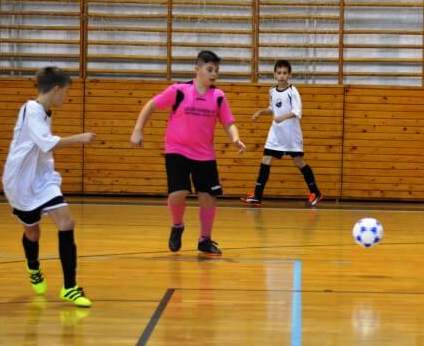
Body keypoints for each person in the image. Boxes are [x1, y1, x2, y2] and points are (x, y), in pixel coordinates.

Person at [130, 50, 246, 258]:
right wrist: (138, 129)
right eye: (209, 69)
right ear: (197, 69)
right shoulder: (179, 90)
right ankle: (177, 226)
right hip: (177, 150)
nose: (214, 74)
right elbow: (151, 105)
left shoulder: (218, 96)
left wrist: (235, 138)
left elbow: (229, 122)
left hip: (205, 155)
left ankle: (205, 240)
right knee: (177, 193)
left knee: (208, 197)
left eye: (216, 71)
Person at [3, 66, 95, 307]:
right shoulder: (31, 109)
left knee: (67, 223)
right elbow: (46, 143)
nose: (66, 96)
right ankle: (33, 266)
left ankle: (69, 287)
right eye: (66, 91)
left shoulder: (44, 112)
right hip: (21, 182)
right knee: (32, 233)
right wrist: (80, 138)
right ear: (56, 89)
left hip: (43, 179)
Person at [241, 60, 322, 208]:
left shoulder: (292, 91)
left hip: (291, 134)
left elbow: (297, 111)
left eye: (285, 73)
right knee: (266, 158)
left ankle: (315, 192)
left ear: (289, 75)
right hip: (276, 133)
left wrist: (282, 117)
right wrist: (261, 112)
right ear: (275, 74)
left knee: (298, 162)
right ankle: (257, 196)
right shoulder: (272, 91)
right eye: (279, 73)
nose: (282, 75)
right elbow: (273, 108)